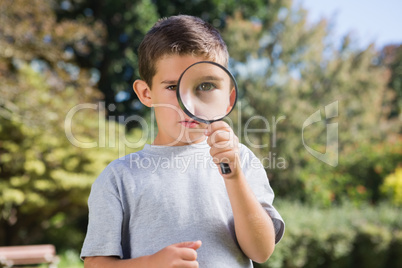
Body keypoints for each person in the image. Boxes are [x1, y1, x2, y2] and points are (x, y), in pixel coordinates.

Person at [80, 15, 285, 268]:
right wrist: (150, 264)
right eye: (172, 87)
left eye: (206, 85)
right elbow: (96, 265)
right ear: (146, 93)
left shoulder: (241, 160)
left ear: (229, 100)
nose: (188, 104)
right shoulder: (118, 178)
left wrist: (233, 177)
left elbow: (261, 251)